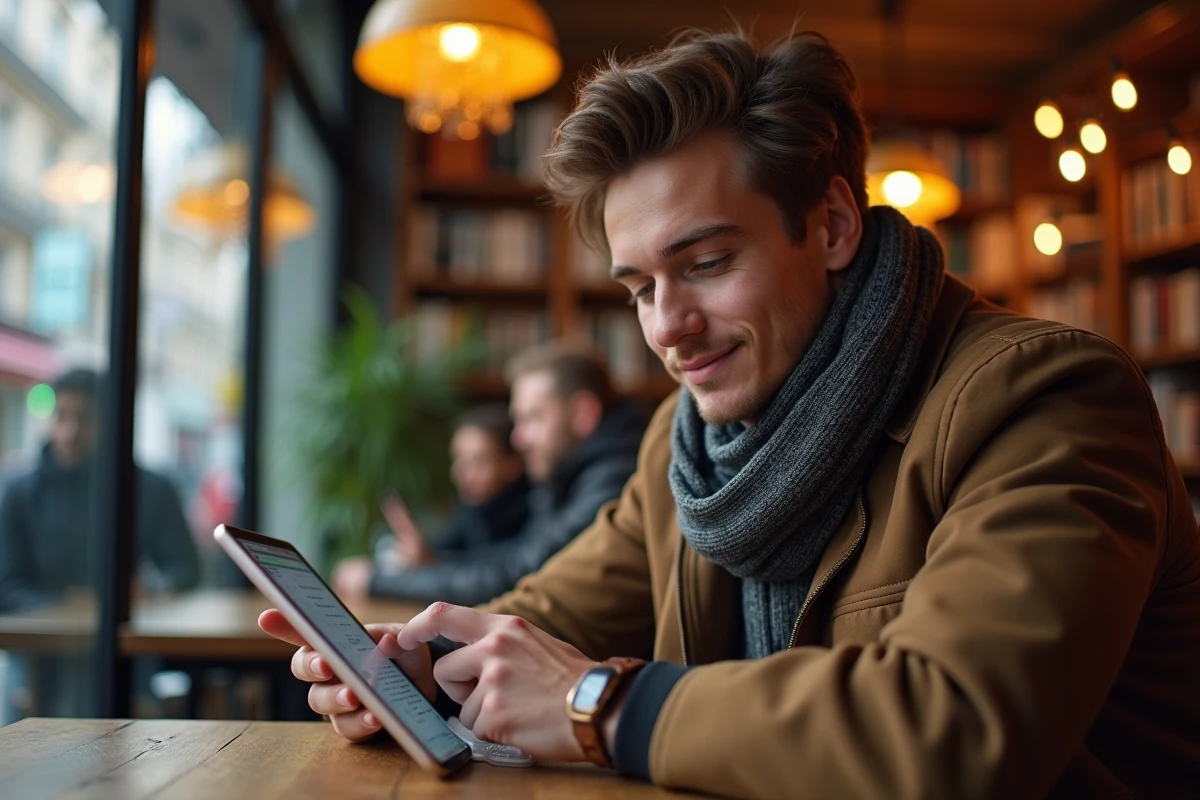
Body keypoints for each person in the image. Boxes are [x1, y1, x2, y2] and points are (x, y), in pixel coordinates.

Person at [262, 29, 1200, 798]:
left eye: (706, 263)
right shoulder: (692, 440)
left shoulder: (1047, 397)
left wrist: (600, 704)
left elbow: (955, 729)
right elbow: (554, 609)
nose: (667, 327)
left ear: (831, 224)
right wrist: (421, 668)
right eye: (638, 287)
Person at [334, 344, 648, 607]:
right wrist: (435, 563)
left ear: (583, 413)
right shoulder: (573, 474)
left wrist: (379, 581)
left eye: (533, 419)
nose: (518, 439)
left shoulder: (617, 476)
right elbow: (519, 555)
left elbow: (520, 577)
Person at [0, 368, 201, 612]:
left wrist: (150, 587)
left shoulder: (152, 488)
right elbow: (6, 585)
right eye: (61, 416)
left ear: (109, 421)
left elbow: (187, 570)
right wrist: (66, 610)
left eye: (85, 418)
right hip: (41, 643)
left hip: (131, 636)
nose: (70, 432)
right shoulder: (18, 492)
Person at [335, 403, 530, 579]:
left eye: (477, 462)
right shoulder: (474, 507)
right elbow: (444, 550)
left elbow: (497, 573)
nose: (460, 473)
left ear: (512, 465)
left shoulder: (531, 513)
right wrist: (417, 553)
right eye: (458, 460)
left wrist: (432, 563)